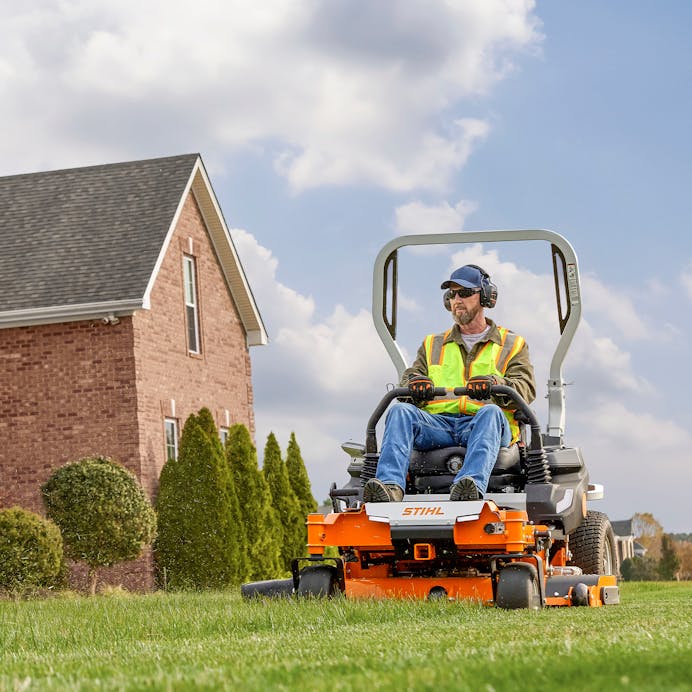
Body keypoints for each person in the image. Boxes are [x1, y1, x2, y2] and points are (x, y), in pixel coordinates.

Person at [363, 264, 535, 503]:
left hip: (483, 425)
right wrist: (416, 384)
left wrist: (494, 384)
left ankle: (469, 487)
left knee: (491, 413)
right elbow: (409, 379)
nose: (457, 300)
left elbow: (525, 387)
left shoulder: (512, 344)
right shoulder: (432, 344)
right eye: (452, 294)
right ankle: (390, 487)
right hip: (438, 426)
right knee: (400, 411)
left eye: (464, 293)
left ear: (486, 296)